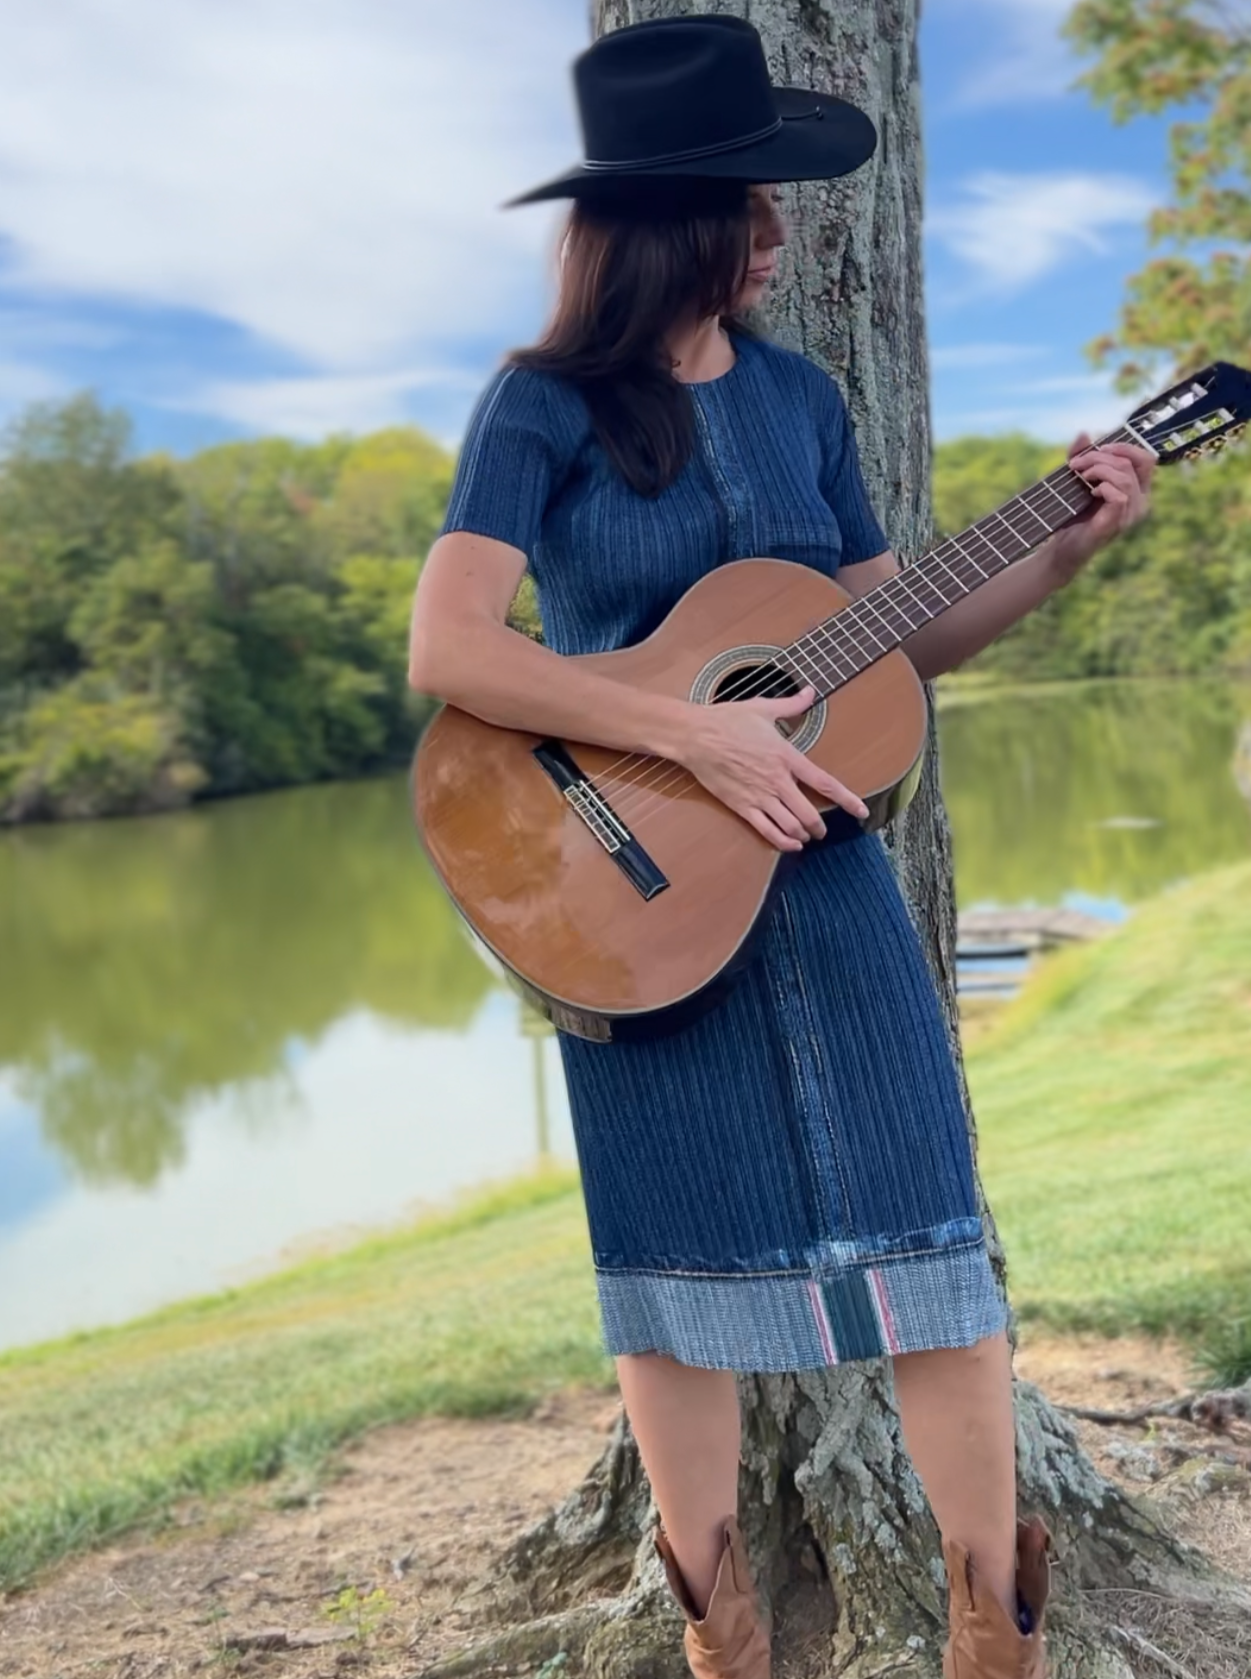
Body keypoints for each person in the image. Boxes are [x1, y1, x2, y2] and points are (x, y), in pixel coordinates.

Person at [407, 17, 1153, 1679]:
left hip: (823, 895)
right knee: (672, 1290)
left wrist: (1063, 552)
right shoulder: (538, 408)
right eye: (751, 199)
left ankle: (988, 1642)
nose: (778, 229)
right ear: (672, 215)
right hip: (627, 893)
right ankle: (722, 1647)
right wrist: (696, 729)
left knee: (938, 1264)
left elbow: (886, 644)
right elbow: (453, 651)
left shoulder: (805, 397)